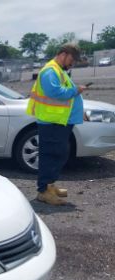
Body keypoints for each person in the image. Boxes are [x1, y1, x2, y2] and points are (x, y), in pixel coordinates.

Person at [27, 43, 88, 205]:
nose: (72, 63)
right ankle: (44, 191)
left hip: (58, 121)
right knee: (51, 156)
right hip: (51, 122)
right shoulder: (50, 71)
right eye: (72, 59)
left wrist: (79, 109)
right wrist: (76, 90)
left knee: (58, 154)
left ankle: (50, 186)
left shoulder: (58, 70)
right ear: (64, 54)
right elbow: (54, 92)